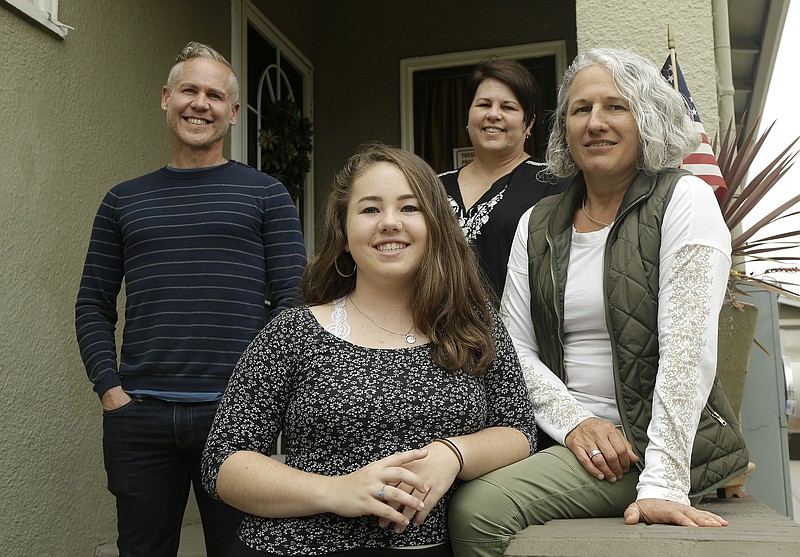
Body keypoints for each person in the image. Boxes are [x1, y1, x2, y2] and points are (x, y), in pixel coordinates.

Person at [448, 48, 749, 556]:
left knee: (476, 510)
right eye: (580, 109)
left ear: (647, 119)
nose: (595, 123)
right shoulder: (538, 222)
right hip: (565, 434)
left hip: (643, 448)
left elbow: (686, 352)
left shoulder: (684, 200)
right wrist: (574, 423)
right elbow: (515, 347)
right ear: (563, 127)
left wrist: (662, 482)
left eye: (616, 106)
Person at [201, 143, 537, 557]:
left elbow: (519, 431)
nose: (390, 223)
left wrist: (455, 453)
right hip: (298, 547)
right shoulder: (293, 332)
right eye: (370, 209)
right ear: (343, 235)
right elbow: (222, 462)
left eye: (409, 208)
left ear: (434, 225)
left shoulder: (472, 324)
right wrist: (335, 491)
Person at [75, 42, 307, 557]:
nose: (200, 103)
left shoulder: (266, 194)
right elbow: (93, 301)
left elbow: (295, 305)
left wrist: (264, 398)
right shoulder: (122, 199)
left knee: (242, 549)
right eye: (189, 90)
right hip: (140, 417)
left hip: (236, 415)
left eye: (214, 95)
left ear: (233, 112)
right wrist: (111, 392)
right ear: (166, 98)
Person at [439, 59, 566, 300]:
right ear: (468, 115)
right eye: (484, 104)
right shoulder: (433, 186)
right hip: (437, 331)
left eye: (508, 107)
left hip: (517, 332)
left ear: (529, 123)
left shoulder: (553, 183)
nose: (493, 114)